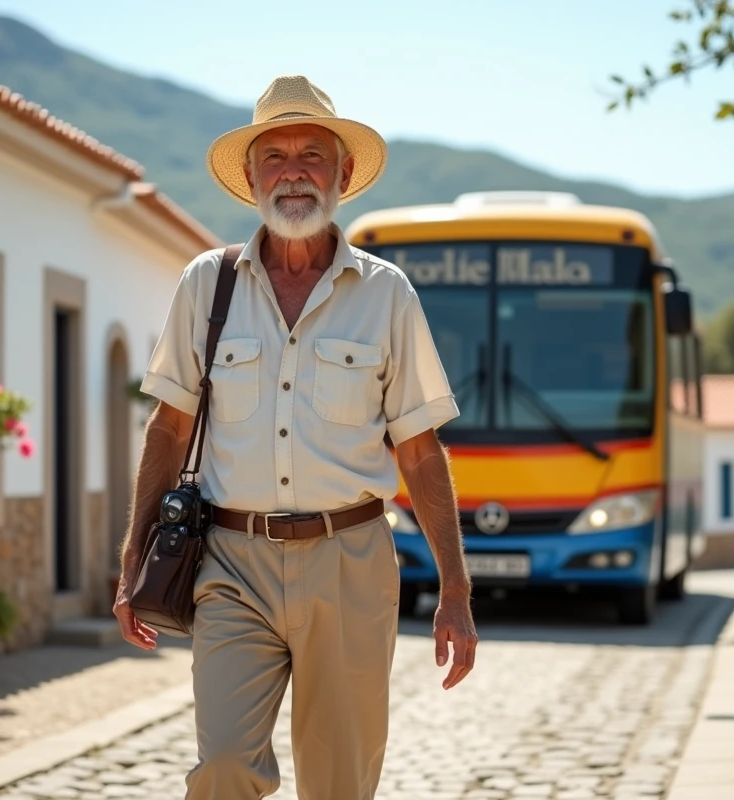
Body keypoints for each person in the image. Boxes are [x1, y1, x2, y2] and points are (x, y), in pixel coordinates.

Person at [112, 75, 479, 800]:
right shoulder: (204, 286)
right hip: (230, 566)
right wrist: (133, 553)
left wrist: (456, 590)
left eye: (313, 153)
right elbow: (169, 425)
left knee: (339, 783)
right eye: (274, 156)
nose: (293, 171)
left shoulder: (387, 295)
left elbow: (419, 450)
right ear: (250, 178)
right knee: (221, 767)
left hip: (351, 564)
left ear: (343, 173)